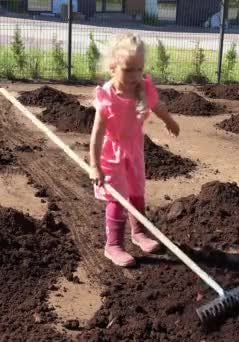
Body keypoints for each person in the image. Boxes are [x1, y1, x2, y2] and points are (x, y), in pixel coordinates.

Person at [89, 33, 180, 267]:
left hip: (135, 148)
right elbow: (97, 132)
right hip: (112, 151)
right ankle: (114, 245)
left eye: (139, 69)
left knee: (137, 191)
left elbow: (156, 106)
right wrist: (94, 165)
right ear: (113, 67)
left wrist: (169, 121)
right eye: (128, 70)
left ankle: (138, 232)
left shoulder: (143, 88)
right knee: (118, 196)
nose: (135, 76)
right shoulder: (107, 96)